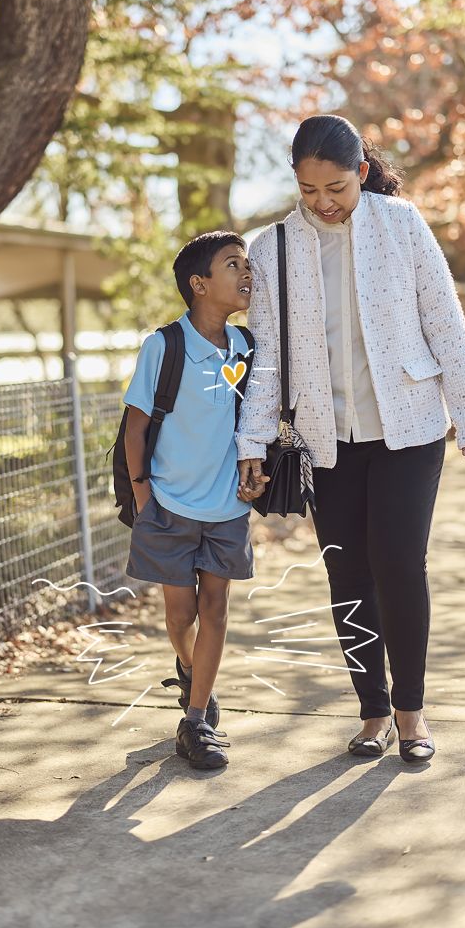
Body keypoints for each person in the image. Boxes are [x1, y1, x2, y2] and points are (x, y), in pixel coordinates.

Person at [236, 114, 465, 763]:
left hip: (407, 427)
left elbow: (443, 318)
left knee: (399, 564)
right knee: (346, 571)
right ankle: (372, 711)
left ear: (361, 173)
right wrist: (251, 439)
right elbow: (265, 354)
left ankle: (411, 712)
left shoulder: (400, 224)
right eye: (308, 191)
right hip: (325, 439)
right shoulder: (270, 248)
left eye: (336, 188)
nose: (323, 203)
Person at [124, 230, 264, 770]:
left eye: (246, 264)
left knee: (217, 610)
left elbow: (258, 424)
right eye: (234, 265)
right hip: (168, 504)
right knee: (180, 614)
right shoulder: (164, 346)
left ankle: (197, 719)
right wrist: (142, 498)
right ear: (199, 284)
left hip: (227, 508)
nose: (246, 273)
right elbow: (136, 429)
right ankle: (188, 668)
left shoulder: (249, 349)